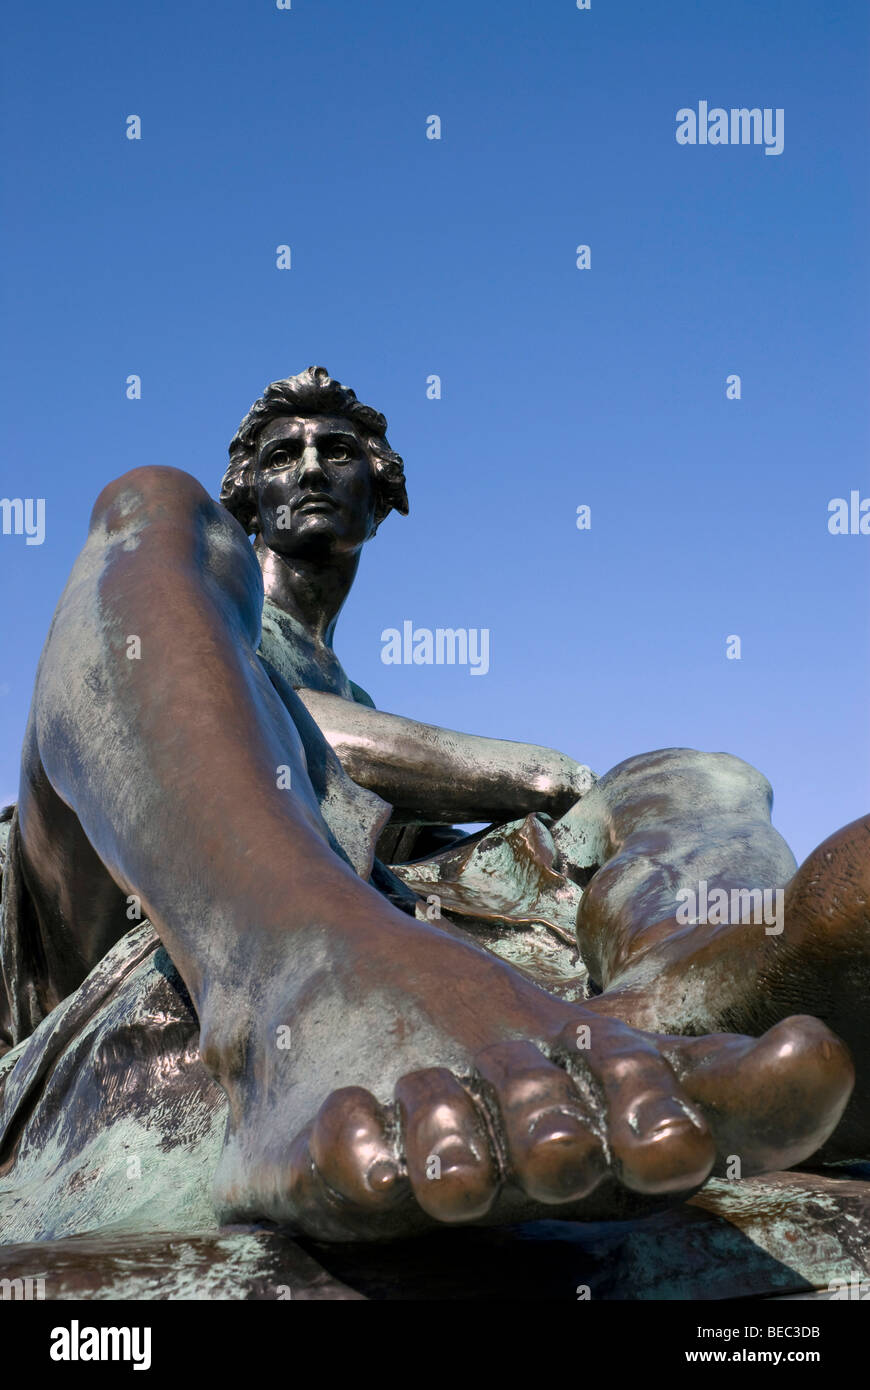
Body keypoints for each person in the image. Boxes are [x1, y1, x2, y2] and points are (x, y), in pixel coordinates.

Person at [0, 367, 863, 1243]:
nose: (306, 469)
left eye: (335, 453)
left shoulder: (356, 688)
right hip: (111, 899)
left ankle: (700, 979)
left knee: (686, 771)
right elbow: (300, 740)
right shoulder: (211, 599)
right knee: (148, 500)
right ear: (249, 497)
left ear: (379, 504)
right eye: (279, 456)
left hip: (379, 884)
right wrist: (534, 772)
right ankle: (302, 979)